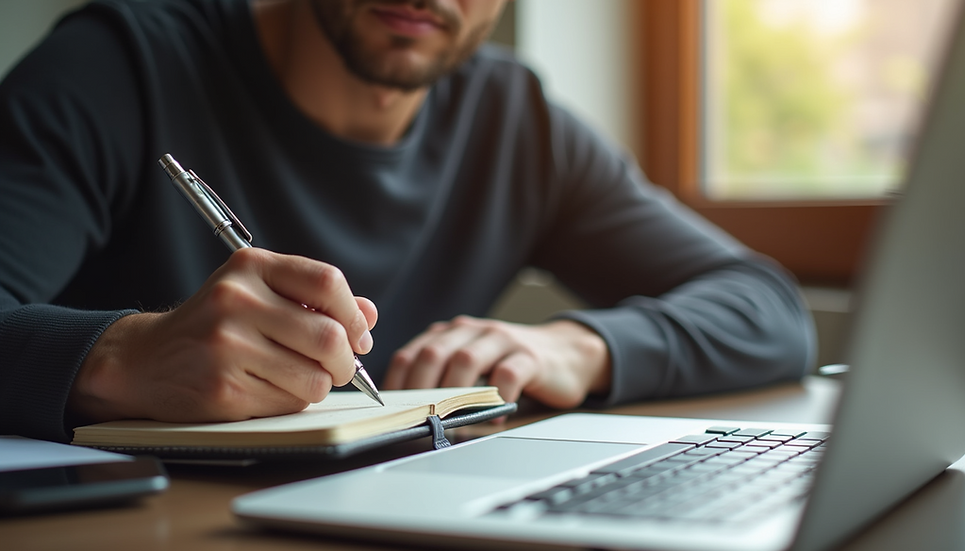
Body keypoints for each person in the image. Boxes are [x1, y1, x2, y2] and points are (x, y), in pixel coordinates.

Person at [0, 0, 816, 443]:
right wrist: (119, 358)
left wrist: (574, 347)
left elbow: (767, 306)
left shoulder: (514, 120)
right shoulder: (116, 67)